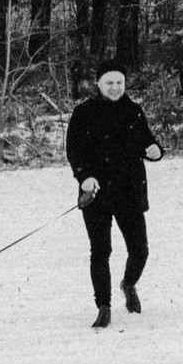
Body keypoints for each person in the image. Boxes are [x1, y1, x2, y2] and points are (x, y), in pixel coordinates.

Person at [65, 64, 164, 328]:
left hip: (129, 191)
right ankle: (104, 306)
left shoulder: (133, 111)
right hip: (96, 192)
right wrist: (84, 177)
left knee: (140, 250)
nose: (115, 87)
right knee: (100, 251)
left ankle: (129, 284)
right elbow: (73, 151)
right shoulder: (84, 113)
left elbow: (147, 141)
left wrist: (155, 149)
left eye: (119, 82)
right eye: (109, 82)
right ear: (98, 83)